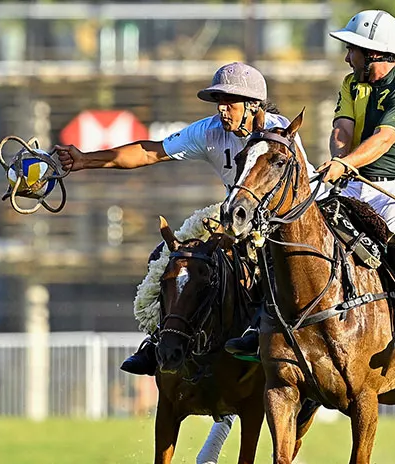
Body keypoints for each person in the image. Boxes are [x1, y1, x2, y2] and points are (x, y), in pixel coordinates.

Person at [54, 61, 314, 375]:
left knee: (270, 265)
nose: (222, 109)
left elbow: (303, 187)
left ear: (253, 106)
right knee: (171, 258)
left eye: (229, 102)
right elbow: (150, 152)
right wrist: (85, 160)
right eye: (218, 101)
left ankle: (263, 333)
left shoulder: (278, 131)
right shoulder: (208, 132)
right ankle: (158, 341)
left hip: (278, 221)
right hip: (234, 214)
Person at [227, 10, 395, 364]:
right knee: (292, 229)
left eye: (353, 50)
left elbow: (383, 139)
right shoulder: (352, 84)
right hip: (352, 181)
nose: (348, 57)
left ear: (375, 54)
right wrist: (338, 157)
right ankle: (262, 322)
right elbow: (341, 130)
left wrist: (346, 163)